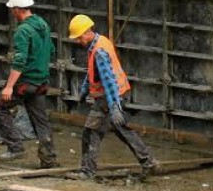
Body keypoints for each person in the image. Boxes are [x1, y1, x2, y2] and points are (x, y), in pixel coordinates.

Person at [66, 14, 159, 180]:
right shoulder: (99, 42)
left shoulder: (99, 51)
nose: (77, 41)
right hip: (113, 95)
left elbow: (109, 82)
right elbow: (94, 72)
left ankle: (87, 171)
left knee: (90, 132)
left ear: (87, 32)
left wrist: (114, 107)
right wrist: (85, 89)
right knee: (122, 130)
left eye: (79, 37)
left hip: (106, 99)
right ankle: (148, 161)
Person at [0, 0, 58, 168]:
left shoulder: (23, 30)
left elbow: (20, 61)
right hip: (41, 82)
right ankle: (48, 158)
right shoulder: (43, 25)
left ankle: (15, 147)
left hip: (25, 83)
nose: (12, 12)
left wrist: (9, 87)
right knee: (40, 120)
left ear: (18, 9)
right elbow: (51, 51)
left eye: (13, 9)